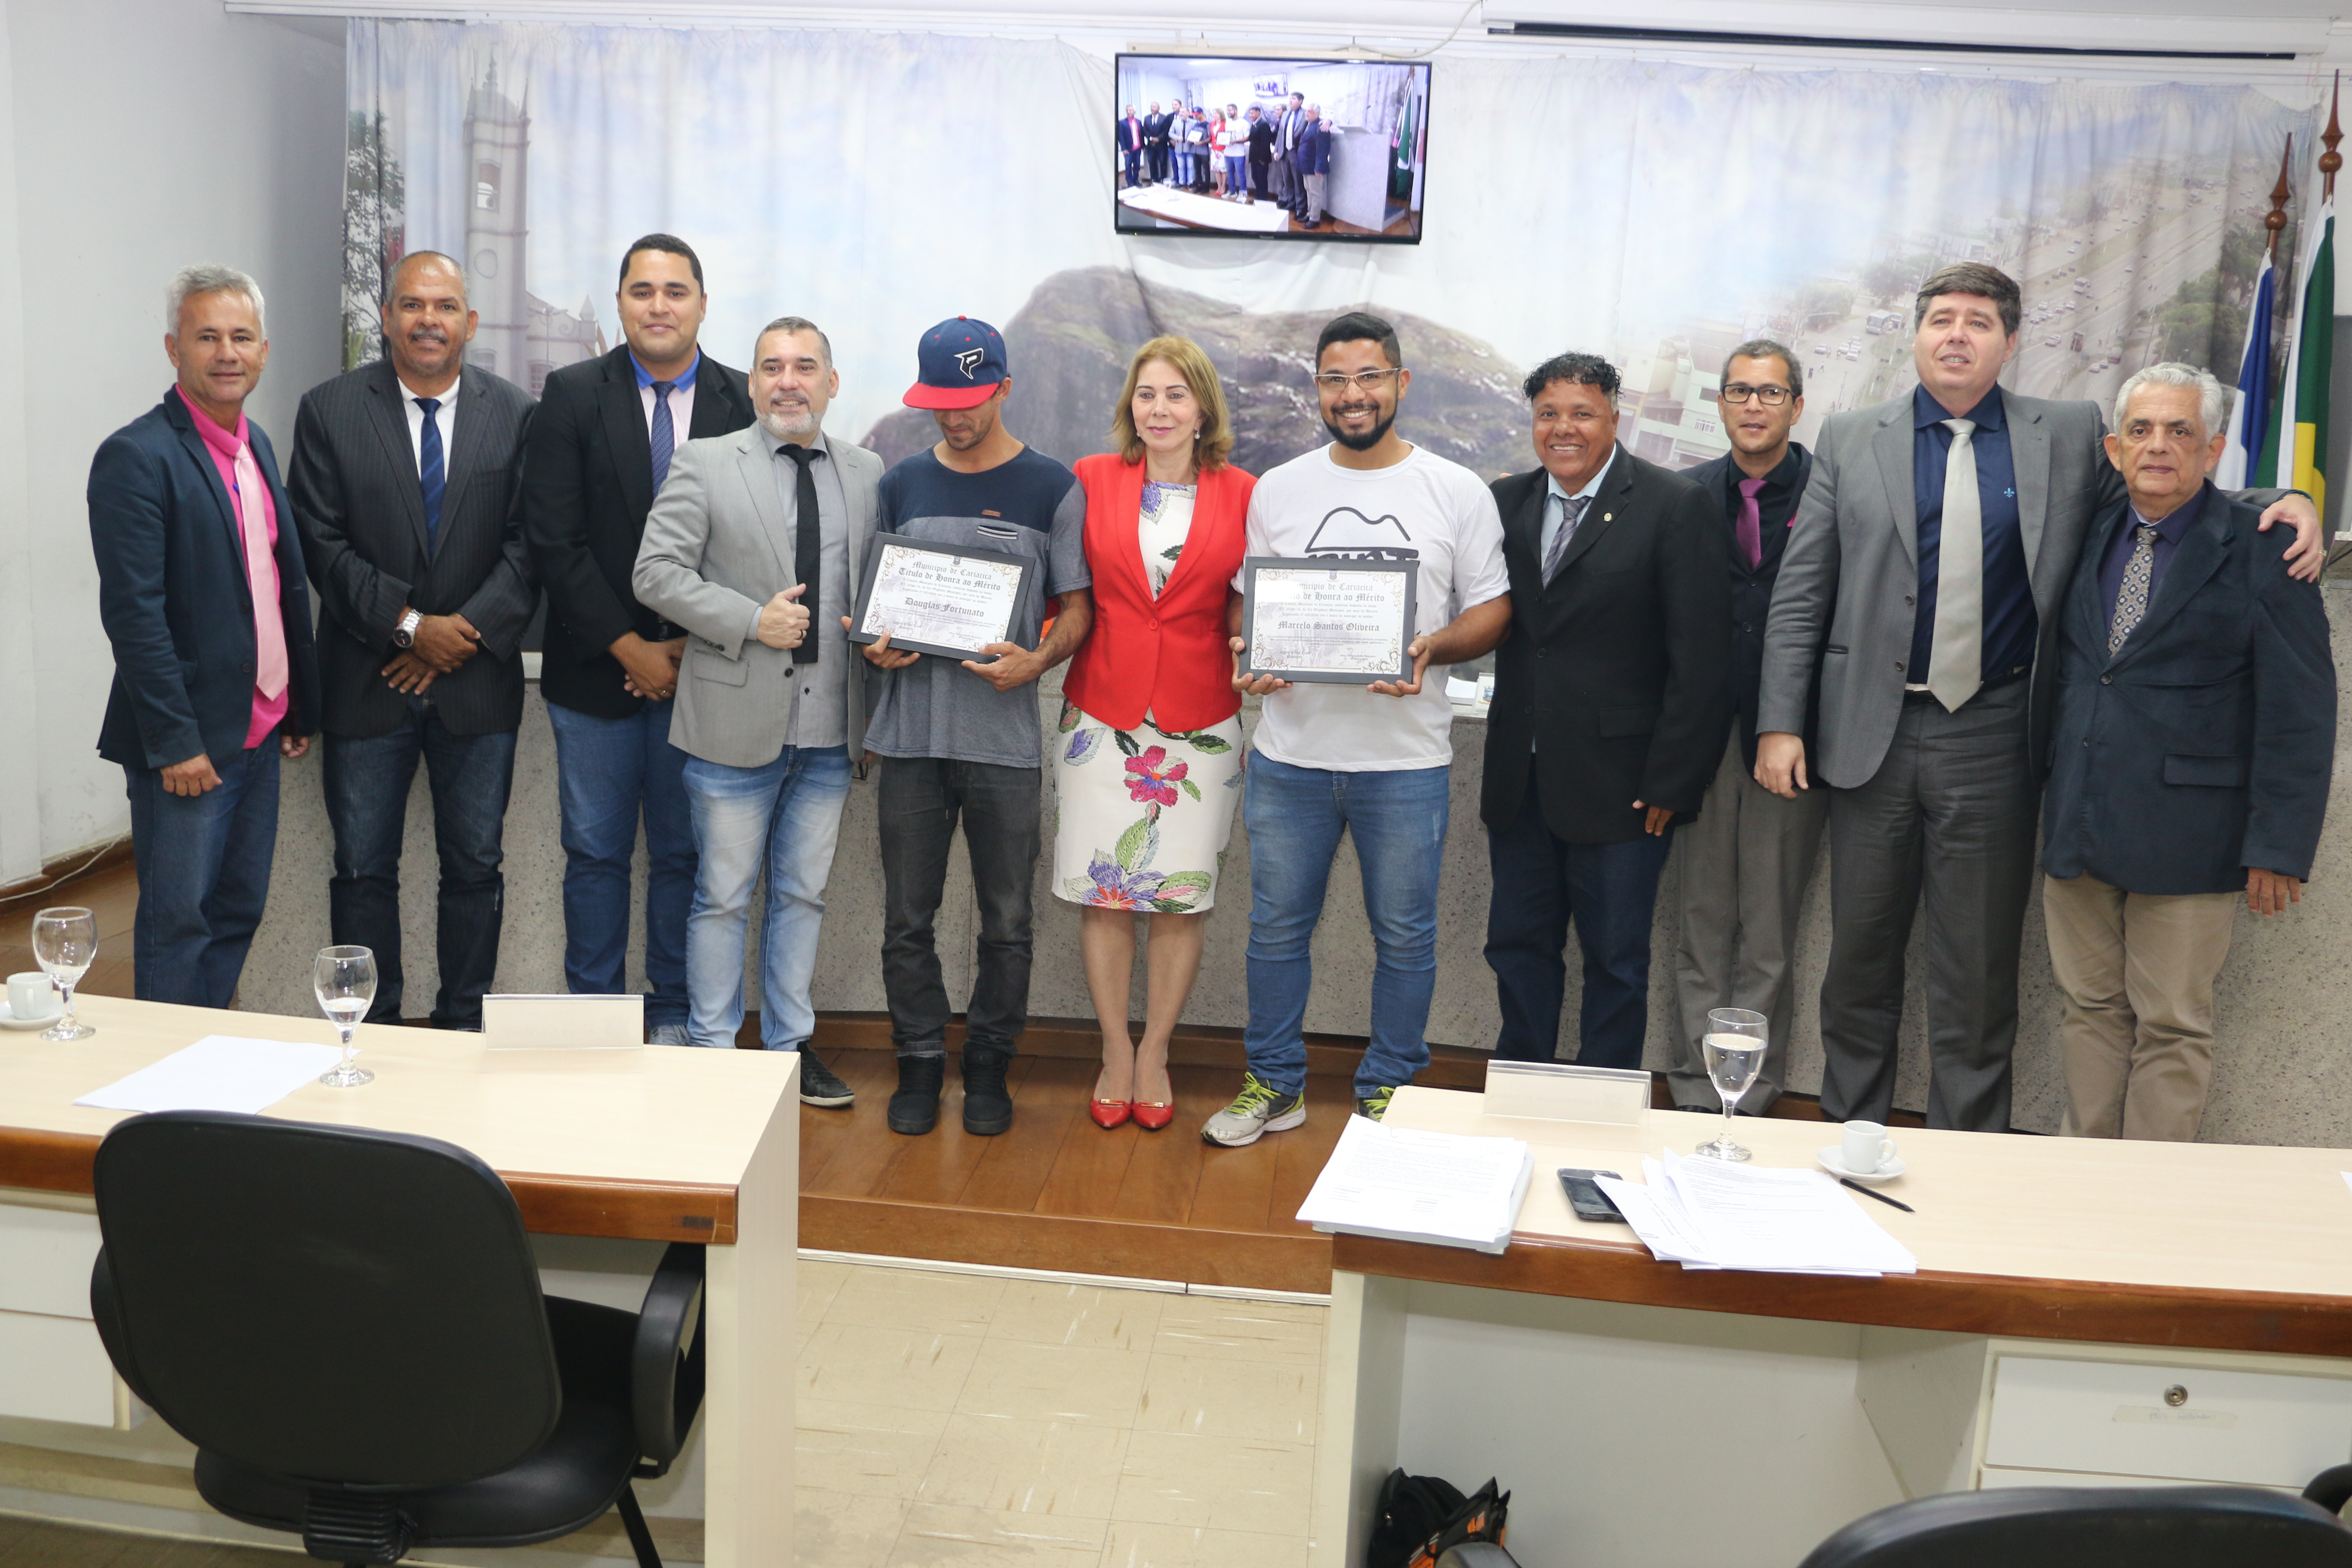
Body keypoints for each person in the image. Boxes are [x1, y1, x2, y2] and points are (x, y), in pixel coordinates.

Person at [1756, 262, 2322, 1132]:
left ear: (2010, 343)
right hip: (1870, 735)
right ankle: (1850, 1139)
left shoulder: (2065, 433)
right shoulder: (1850, 435)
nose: (1957, 334)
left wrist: (2288, 499)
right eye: (1942, 318)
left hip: (1996, 734)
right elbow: (1802, 591)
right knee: (1859, 959)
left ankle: (1972, 1156)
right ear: (1916, 335)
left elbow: (2169, 490)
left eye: (1979, 322)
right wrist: (1780, 722)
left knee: (1977, 971)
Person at [1204, 312, 1512, 1146]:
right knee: (1274, 933)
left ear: (1400, 383)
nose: (1353, 395)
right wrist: (1249, 651)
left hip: (1405, 764)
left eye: (1370, 377)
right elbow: (1246, 601)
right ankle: (1274, 1083)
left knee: (1405, 940)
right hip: (1290, 757)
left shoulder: (1456, 490)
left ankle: (1390, 1090)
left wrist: (1432, 647)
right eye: (1336, 380)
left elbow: (1493, 609)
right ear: (1317, 390)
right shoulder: (1280, 488)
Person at [2040, 363, 2334, 1142]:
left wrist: (2278, 844)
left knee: (2171, 1021)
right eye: (2140, 430)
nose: (2158, 446)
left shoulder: (2265, 548)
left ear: (2212, 449)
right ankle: (2081, 1174)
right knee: (2088, 1008)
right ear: (2114, 448)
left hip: (2193, 835)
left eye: (2180, 431)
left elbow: (2301, 710)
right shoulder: (2085, 531)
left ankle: (2150, 1194)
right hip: (2078, 819)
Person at [287, 251, 537, 1032]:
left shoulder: (517, 414)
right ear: (387, 317)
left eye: (445, 305)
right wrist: (409, 628)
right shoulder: (328, 410)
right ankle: (375, 1030)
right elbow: (319, 541)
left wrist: (461, 634)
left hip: (477, 681)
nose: (429, 320)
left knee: (476, 867)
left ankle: (463, 1028)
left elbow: (532, 542)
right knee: (362, 868)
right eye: (412, 304)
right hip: (368, 679)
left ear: (470, 321)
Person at [855, 318, 1093, 1138]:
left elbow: (1078, 609)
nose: (953, 417)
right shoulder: (901, 482)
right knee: (906, 919)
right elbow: (875, 605)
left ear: (1004, 387)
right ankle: (919, 1058)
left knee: (1009, 921)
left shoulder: (1052, 486)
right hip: (910, 741)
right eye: (939, 403)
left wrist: (1039, 659)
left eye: (968, 401)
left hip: (1004, 744)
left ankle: (989, 1062)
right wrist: (874, 646)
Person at [633, 317, 878, 1106]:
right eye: (772, 367)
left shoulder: (868, 471)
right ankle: (711, 1049)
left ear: (831, 383)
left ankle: (788, 1047)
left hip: (831, 731)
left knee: (803, 895)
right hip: (732, 726)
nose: (788, 382)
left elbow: (877, 583)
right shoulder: (705, 463)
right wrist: (748, 619)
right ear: (752, 383)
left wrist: (880, 637)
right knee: (723, 897)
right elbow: (655, 573)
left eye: (805, 367)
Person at [524, 235, 755, 1045]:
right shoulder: (570, 394)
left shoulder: (742, 400)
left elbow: (754, 546)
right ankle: (593, 1019)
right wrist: (630, 647)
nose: (659, 306)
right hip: (596, 674)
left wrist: (686, 645)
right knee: (594, 854)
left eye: (676, 291)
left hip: (705, 674)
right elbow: (554, 540)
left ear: (703, 304)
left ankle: (673, 1016)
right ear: (621, 302)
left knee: (686, 857)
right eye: (642, 291)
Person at [1482, 353, 1729, 1074]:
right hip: (1520, 778)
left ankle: (1602, 1102)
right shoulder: (1506, 502)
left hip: (1625, 788)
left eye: (1582, 413)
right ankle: (1522, 1087)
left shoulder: (1673, 504)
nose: (1563, 428)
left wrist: (1674, 780)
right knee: (1516, 947)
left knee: (1616, 959)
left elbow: (1702, 660)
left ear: (1615, 419)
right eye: (1548, 414)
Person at [89, 265, 320, 1007]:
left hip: (259, 729)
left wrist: (294, 703)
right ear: (173, 348)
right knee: (177, 923)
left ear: (263, 351)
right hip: (189, 748)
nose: (227, 353)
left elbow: (276, 587)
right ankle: (164, 1072)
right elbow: (135, 614)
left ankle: (211, 1049)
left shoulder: (256, 445)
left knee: (237, 910)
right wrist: (174, 741)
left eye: (242, 337)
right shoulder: (136, 456)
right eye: (207, 337)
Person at [1056, 337, 1255, 1131]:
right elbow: (1064, 588)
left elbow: (1247, 599)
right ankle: (1114, 1050)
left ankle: (1156, 1052)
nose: (1160, 409)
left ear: (1203, 408)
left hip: (1200, 720)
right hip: (1101, 715)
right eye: (1146, 394)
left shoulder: (1245, 492)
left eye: (1176, 394)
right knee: (1105, 895)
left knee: (1179, 899)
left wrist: (1254, 642)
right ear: (1129, 407)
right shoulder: (1089, 478)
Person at [1665, 341, 1823, 1114]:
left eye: (1770, 393)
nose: (1753, 406)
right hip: (1702, 736)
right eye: (1739, 391)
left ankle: (1750, 1093)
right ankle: (1696, 1086)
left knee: (1767, 930)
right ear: (1721, 403)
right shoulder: (1685, 494)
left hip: (1790, 739)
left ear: (1797, 406)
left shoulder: (1832, 493)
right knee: (1699, 920)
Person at [1293, 106, 1332, 230]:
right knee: (1309, 191)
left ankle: (1315, 219)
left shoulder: (1321, 127)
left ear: (1317, 114)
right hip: (1305, 166)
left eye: (1310, 112)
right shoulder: (1309, 124)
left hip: (1314, 167)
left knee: (1315, 194)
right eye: (1306, 111)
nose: (1306, 113)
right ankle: (1310, 214)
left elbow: (1323, 149)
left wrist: (1319, 167)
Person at [1246, 106, 1274, 205]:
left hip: (1261, 158)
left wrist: (1263, 158)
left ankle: (1263, 199)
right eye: (1250, 113)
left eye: (1252, 113)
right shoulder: (1254, 124)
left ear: (1259, 113)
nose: (1250, 115)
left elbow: (1266, 142)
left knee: (1262, 179)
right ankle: (1258, 198)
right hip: (1254, 157)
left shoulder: (1264, 125)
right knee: (1255, 177)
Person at [1223, 105, 1250, 201]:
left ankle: (1243, 192)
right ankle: (1232, 191)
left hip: (1239, 154)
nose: (1228, 112)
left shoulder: (1244, 123)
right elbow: (1225, 136)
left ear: (1236, 110)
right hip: (1228, 153)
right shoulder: (1227, 123)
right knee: (1230, 173)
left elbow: (1247, 138)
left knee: (1241, 174)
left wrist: (1236, 142)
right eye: (1227, 111)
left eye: (1230, 110)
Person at [1118, 104, 1144, 189]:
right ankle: (1129, 182)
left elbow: (1141, 134)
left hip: (1138, 148)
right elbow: (1120, 137)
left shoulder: (1139, 122)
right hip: (1128, 149)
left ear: (1135, 112)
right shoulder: (1122, 123)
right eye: (1127, 110)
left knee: (1137, 165)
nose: (1129, 112)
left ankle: (1136, 180)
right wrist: (1124, 148)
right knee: (1128, 166)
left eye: (1131, 110)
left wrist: (1143, 146)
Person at [1143, 103, 1169, 184]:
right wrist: (1151, 138)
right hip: (1151, 145)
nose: (1152, 108)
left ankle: (1163, 179)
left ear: (1159, 108)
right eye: (1151, 107)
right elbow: (1145, 130)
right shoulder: (1147, 118)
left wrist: (1158, 139)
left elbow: (1166, 131)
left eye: (1154, 107)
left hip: (1162, 144)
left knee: (1163, 162)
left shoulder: (1164, 118)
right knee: (1152, 162)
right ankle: (1154, 179)